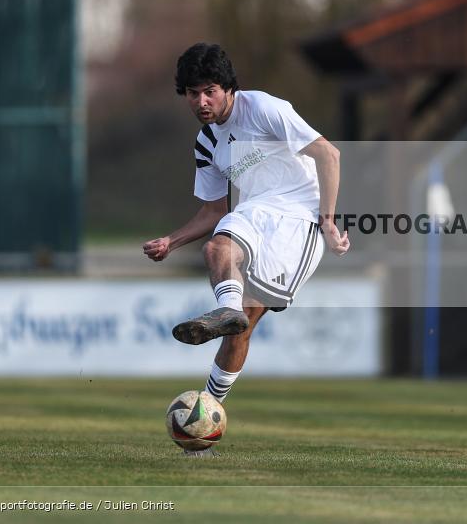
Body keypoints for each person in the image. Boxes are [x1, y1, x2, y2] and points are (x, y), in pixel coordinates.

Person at [143, 43, 349, 452]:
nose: (201, 101)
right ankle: (224, 321)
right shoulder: (206, 143)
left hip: (298, 216)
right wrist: (174, 239)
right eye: (192, 93)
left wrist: (327, 218)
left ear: (228, 88)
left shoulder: (263, 108)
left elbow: (328, 153)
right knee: (216, 248)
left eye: (210, 90)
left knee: (246, 322)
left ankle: (206, 409)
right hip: (254, 212)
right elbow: (212, 211)